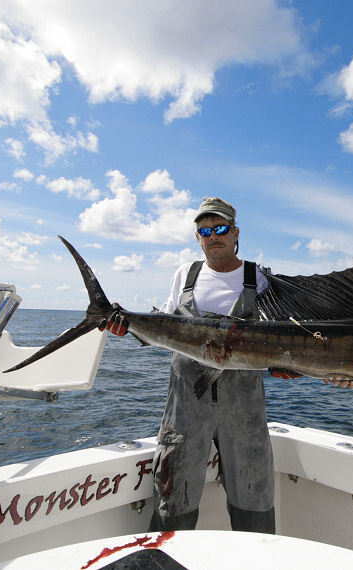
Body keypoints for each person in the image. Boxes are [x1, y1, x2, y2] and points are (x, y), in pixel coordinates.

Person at [107, 196, 276, 533]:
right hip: (185, 409)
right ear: (198, 237)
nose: (213, 236)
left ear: (236, 232)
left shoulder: (260, 278)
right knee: (174, 502)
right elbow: (164, 326)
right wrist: (126, 324)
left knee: (255, 502)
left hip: (244, 412)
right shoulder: (185, 274)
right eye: (205, 231)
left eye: (221, 228)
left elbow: (279, 337)